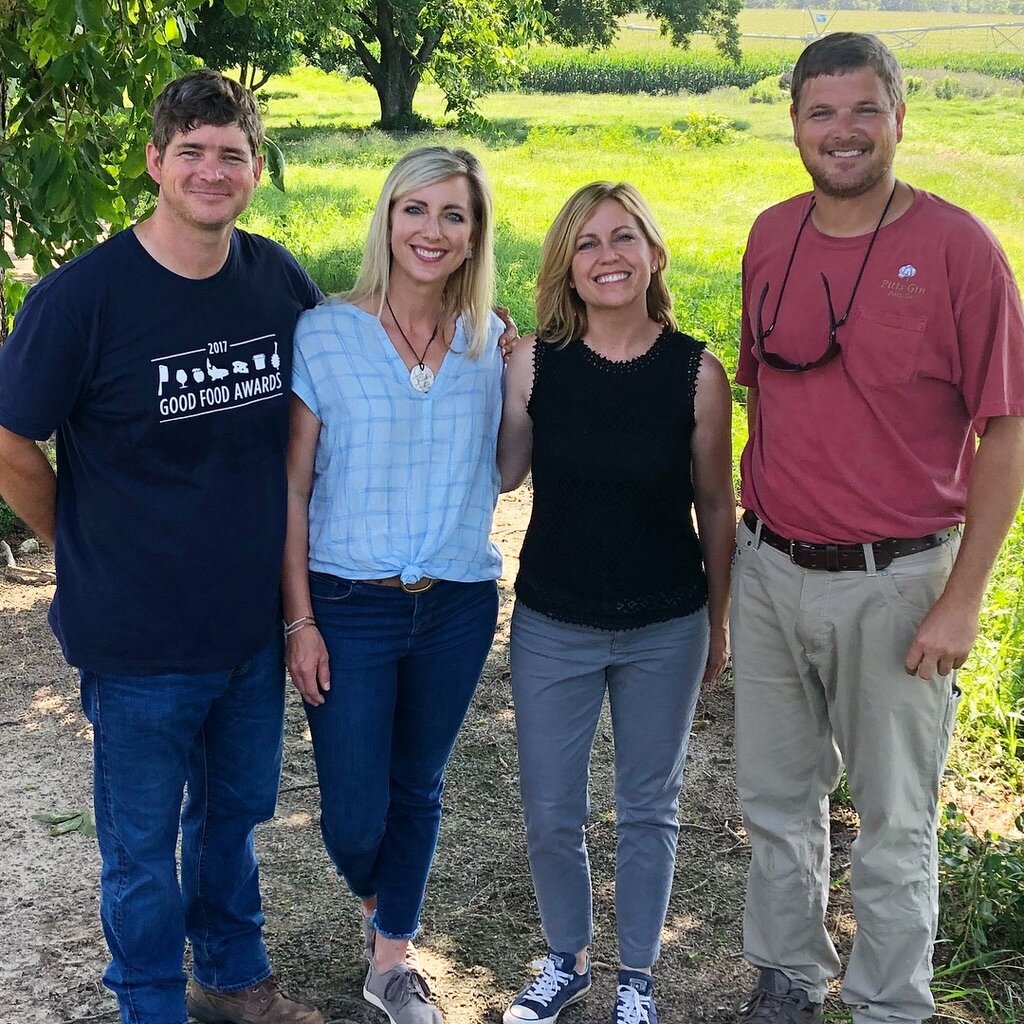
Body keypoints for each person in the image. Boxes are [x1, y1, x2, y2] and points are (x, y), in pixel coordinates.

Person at [0, 72, 325, 1024]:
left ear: (256, 169)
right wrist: (77, 537)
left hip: (251, 625)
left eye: (231, 153)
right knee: (140, 846)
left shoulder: (275, 280)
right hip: (137, 635)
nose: (211, 170)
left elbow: (340, 382)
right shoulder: (83, 299)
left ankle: (229, 975)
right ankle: (148, 1002)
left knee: (232, 819)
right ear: (155, 162)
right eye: (191, 151)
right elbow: (12, 439)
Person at [731, 32, 1024, 1024]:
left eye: (864, 110)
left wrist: (962, 595)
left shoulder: (959, 251)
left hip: (899, 583)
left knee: (895, 823)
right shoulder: (770, 235)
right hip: (770, 570)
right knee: (776, 802)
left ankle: (888, 1006)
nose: (842, 131)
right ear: (795, 126)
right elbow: (764, 395)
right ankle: (787, 977)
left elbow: (1007, 427)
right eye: (821, 112)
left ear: (900, 117)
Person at [497, 182, 735, 1024]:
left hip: (666, 622)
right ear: (566, 262)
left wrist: (719, 620)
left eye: (624, 237)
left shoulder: (698, 374)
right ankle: (566, 959)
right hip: (553, 620)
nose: (608, 256)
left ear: (653, 252)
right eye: (589, 242)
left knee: (648, 808)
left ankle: (637, 976)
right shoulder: (532, 363)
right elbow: (503, 472)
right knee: (551, 807)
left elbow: (717, 506)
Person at [282, 145, 508, 1024]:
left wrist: (523, 381)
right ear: (387, 218)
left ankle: (391, 963)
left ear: (475, 234)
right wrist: (297, 620)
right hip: (347, 604)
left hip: (455, 602)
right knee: (350, 812)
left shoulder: (492, 343)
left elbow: (510, 468)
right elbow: (294, 487)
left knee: (419, 784)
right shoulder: (325, 332)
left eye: (454, 215)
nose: (433, 230)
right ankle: (386, 901)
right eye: (416, 210)